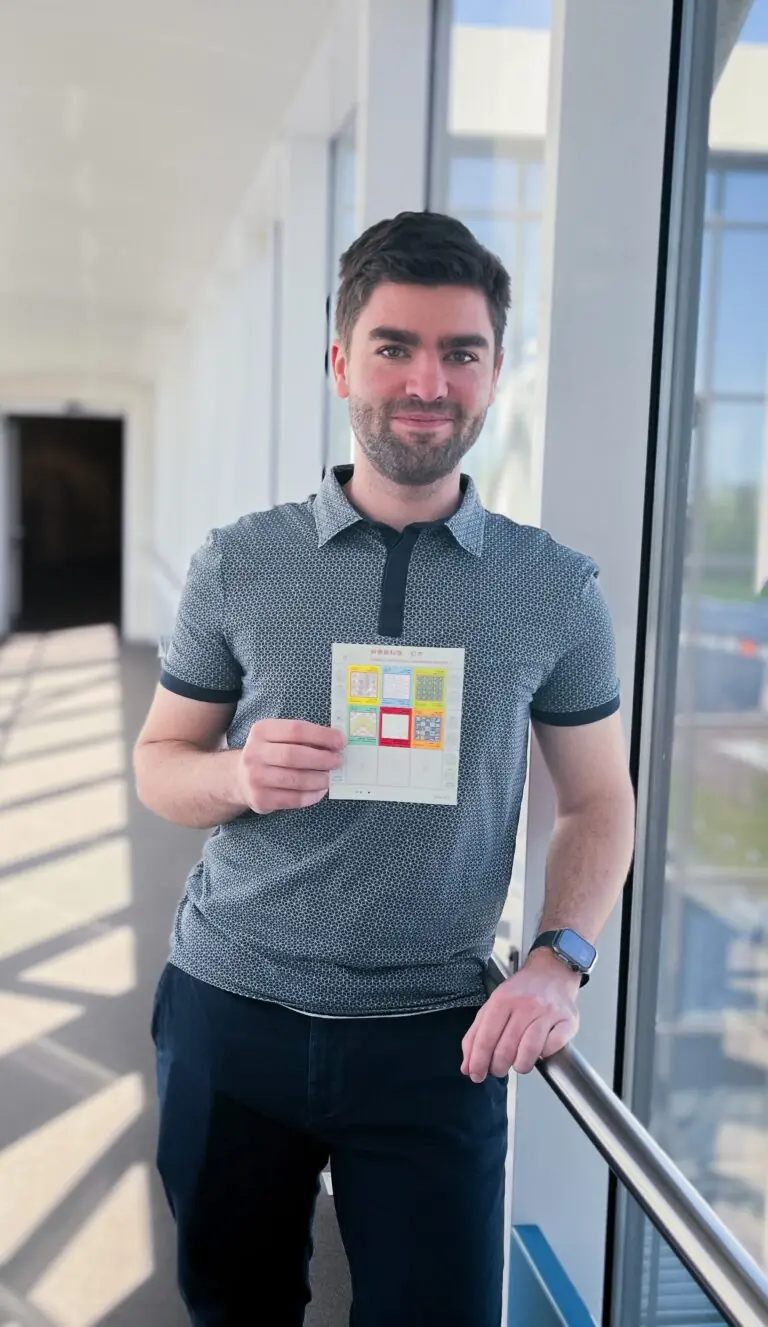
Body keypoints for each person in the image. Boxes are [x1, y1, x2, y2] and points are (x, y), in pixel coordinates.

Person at [134, 210, 636, 1327]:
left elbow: (600, 800)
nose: (428, 382)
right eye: (394, 346)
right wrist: (237, 776)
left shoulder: (555, 588)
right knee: (232, 1307)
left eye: (462, 352)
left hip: (438, 1036)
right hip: (232, 1007)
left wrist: (559, 959)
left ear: (494, 373)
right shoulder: (238, 562)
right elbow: (159, 763)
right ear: (338, 362)